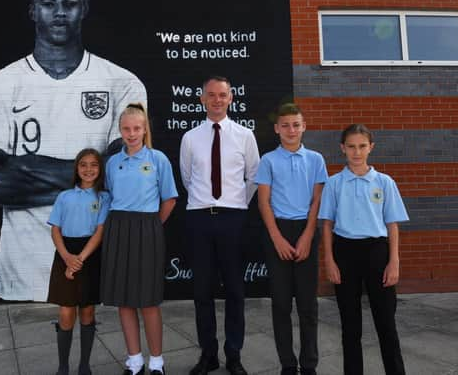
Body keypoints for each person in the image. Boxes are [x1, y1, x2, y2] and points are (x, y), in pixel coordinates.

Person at [0, 0, 147, 301]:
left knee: (90, 326)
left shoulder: (122, 83)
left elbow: (121, 174)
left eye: (70, 3)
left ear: (84, 9)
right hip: (21, 272)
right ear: (33, 11)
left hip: (94, 254)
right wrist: (87, 179)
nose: (60, 12)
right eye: (49, 3)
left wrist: (24, 165)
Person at [179, 76, 260, 375]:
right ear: (201, 98)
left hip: (233, 218)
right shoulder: (190, 138)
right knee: (202, 291)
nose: (216, 100)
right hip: (199, 217)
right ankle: (208, 354)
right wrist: (207, 202)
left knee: (236, 291)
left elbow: (254, 177)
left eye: (222, 95)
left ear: (231, 98)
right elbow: (188, 178)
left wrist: (234, 203)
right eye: (210, 95)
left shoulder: (244, 136)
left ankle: (234, 354)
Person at [319, 124, 408, 375]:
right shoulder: (335, 183)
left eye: (362, 146)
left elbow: (392, 225)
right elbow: (327, 225)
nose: (356, 152)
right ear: (342, 149)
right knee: (350, 326)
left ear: (371, 148)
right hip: (345, 253)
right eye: (351, 146)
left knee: (386, 323)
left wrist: (394, 261)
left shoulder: (384, 182)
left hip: (377, 252)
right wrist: (329, 260)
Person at [101, 103, 177, 375]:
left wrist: (152, 226)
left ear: (145, 130)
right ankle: (135, 361)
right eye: (126, 129)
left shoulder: (158, 160)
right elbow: (109, 196)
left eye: (137, 128)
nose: (131, 133)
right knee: (124, 300)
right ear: (120, 131)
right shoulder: (112, 162)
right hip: (118, 229)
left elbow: (169, 199)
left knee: (148, 301)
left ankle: (157, 362)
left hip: (148, 229)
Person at [255, 103, 328, 375]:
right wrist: (276, 238)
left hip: (306, 229)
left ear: (304, 126)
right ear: (277, 129)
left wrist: (309, 235)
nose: (291, 130)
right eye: (285, 125)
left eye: (296, 124)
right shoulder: (268, 160)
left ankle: (309, 364)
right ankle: (287, 364)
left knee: (308, 305)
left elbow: (318, 199)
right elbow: (263, 202)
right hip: (278, 232)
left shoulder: (316, 160)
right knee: (281, 304)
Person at [46, 148, 110, 375]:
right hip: (66, 253)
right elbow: (55, 229)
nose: (88, 169)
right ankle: (63, 366)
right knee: (66, 312)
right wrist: (67, 258)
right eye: (83, 164)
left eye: (94, 164)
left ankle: (85, 365)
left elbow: (100, 232)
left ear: (100, 169)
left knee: (87, 312)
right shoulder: (64, 196)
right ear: (76, 168)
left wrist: (80, 259)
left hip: (89, 255)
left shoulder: (104, 197)